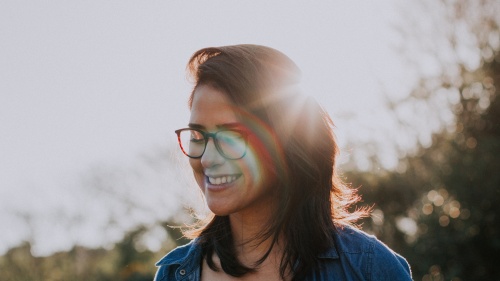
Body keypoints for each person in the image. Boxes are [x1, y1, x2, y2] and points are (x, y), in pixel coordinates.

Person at [154, 44, 412, 281]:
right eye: (198, 136)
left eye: (231, 136)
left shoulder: (369, 268)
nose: (207, 158)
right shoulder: (174, 273)